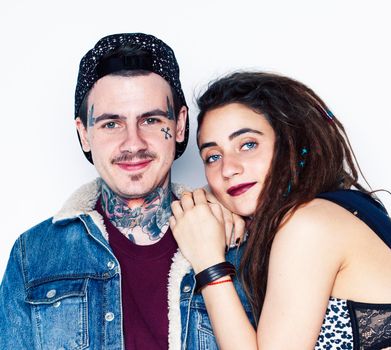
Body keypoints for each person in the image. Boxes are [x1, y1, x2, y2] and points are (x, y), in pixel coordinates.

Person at [0, 33, 245, 350]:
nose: (133, 143)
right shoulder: (33, 254)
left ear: (180, 125)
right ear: (84, 134)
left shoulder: (235, 240)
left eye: (151, 119)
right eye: (110, 124)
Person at [170, 71, 391, 350]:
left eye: (248, 145)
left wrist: (208, 262)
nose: (228, 169)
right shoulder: (343, 208)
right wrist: (208, 201)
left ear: (292, 144)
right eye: (213, 156)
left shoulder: (309, 225)